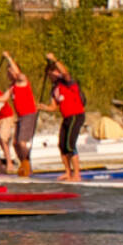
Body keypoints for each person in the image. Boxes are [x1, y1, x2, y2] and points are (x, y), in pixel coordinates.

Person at [38, 53, 85, 182]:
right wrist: (42, 107)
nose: (50, 77)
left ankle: (77, 174)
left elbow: (65, 73)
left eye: (51, 75)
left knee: (70, 145)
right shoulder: (54, 89)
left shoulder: (67, 82)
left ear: (56, 73)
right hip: (66, 117)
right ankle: (67, 173)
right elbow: (53, 107)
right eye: (48, 75)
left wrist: (54, 60)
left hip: (76, 115)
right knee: (61, 145)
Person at [2, 51, 40, 177]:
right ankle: (24, 164)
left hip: (28, 115)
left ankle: (27, 164)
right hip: (20, 117)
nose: (9, 74)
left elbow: (18, 73)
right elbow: (2, 99)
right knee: (14, 143)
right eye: (8, 72)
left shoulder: (23, 81)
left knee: (22, 142)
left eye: (10, 71)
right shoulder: (12, 86)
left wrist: (8, 57)